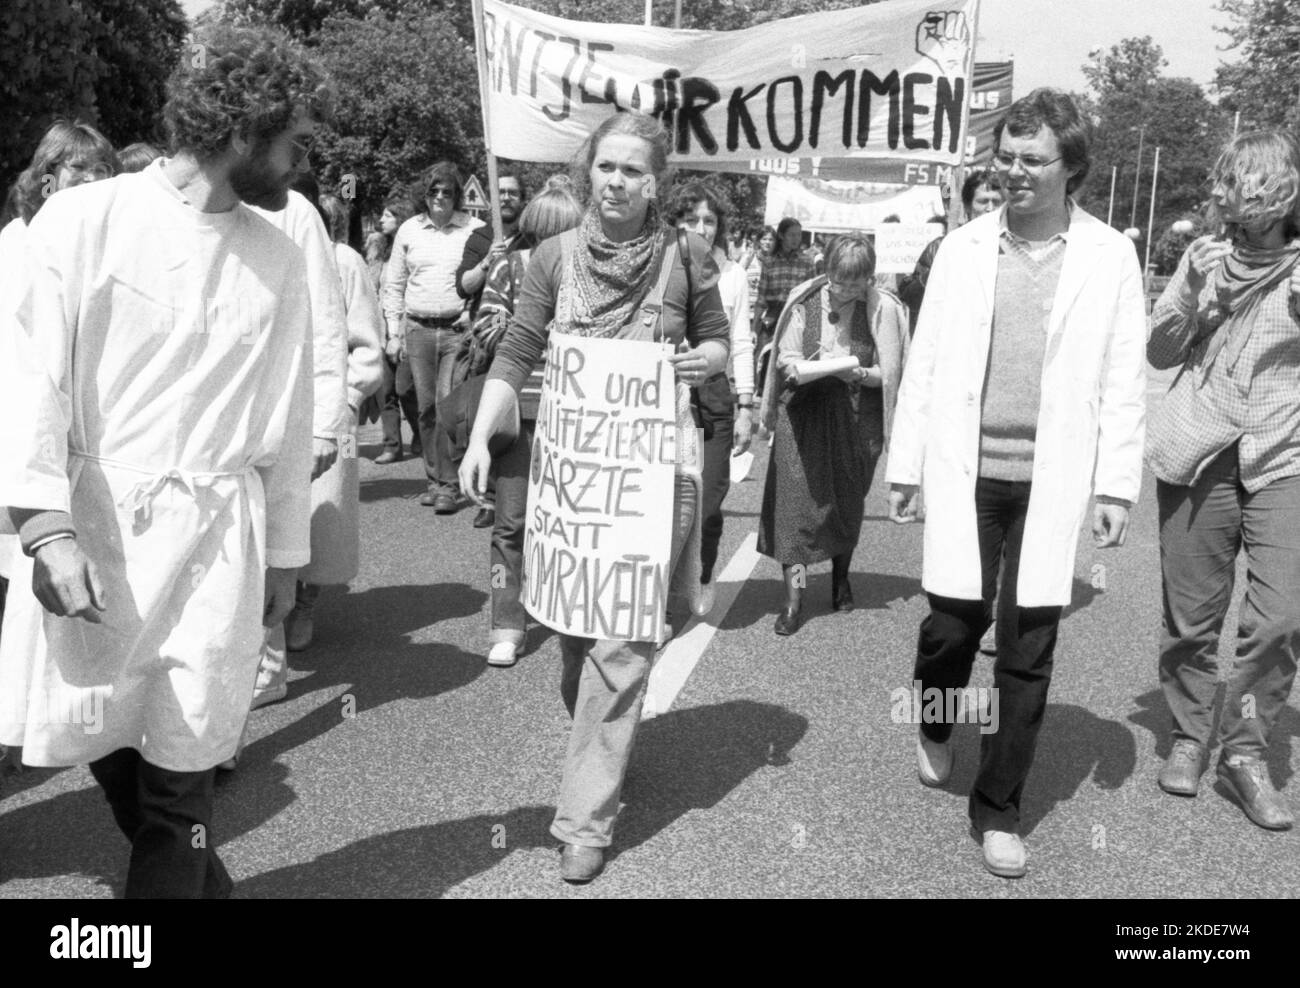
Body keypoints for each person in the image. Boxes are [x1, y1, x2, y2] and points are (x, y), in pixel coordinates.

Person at [0, 23, 325, 897]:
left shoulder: (280, 256)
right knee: (114, 753)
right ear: (245, 121)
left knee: (182, 777)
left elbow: (289, 423)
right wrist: (43, 529)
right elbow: (28, 380)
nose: (302, 161)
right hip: (99, 538)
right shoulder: (84, 220)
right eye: (295, 139)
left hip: (217, 547)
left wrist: (287, 561)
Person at [460, 113, 729, 883]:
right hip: (575, 482)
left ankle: (584, 820)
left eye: (632, 171)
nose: (616, 182)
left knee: (622, 645)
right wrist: (481, 439)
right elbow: (516, 351)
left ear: (656, 183)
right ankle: (602, 746)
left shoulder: (686, 257)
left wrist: (695, 363)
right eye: (606, 168)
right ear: (589, 175)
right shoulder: (550, 257)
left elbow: (717, 344)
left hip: (656, 476)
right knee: (579, 640)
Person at [886, 89, 1147, 879]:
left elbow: (1123, 377)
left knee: (1028, 647)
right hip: (968, 473)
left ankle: (999, 808)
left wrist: (1115, 486)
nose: (1013, 171)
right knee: (952, 629)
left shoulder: (1109, 256)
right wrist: (904, 465)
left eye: (1032, 159)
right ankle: (937, 713)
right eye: (1006, 155)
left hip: (1050, 479)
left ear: (1073, 170)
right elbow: (926, 364)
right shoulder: (965, 247)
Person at [1146, 130, 1300, 831]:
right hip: (1200, 452)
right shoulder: (1202, 258)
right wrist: (1194, 293)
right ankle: (1187, 734)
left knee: (1279, 619)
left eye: (1263, 187)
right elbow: (1159, 349)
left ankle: (1244, 751)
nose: (1248, 201)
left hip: (1285, 456)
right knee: (1193, 618)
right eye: (1238, 186)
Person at [0, 120, 118, 662]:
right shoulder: (19, 240)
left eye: (103, 171)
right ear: (47, 174)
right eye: (79, 168)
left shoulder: (109, 246)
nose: (94, 180)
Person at [756, 234, 909, 635]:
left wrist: (859, 373)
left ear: (869, 279)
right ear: (827, 272)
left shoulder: (884, 310)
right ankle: (795, 598)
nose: (844, 291)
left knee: (844, 505)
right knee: (795, 514)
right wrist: (797, 368)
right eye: (838, 282)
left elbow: (890, 375)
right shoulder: (804, 301)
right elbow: (786, 356)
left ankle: (841, 578)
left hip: (858, 418)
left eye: (856, 285)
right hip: (803, 415)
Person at [472, 175, 583, 668]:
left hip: (577, 413)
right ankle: (505, 622)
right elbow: (485, 326)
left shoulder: (590, 274)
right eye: (545, 234)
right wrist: (528, 329)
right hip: (520, 415)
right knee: (509, 523)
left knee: (573, 521)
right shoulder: (508, 267)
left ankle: (570, 608)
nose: (551, 244)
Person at [667, 181, 756, 617]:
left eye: (709, 220)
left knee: (708, 504)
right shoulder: (663, 265)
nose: (701, 227)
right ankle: (660, 593)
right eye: (691, 220)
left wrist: (746, 405)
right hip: (665, 395)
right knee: (665, 500)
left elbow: (741, 342)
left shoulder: (733, 274)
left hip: (716, 397)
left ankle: (702, 575)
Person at [382, 162, 485, 513]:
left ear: (458, 196)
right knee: (424, 409)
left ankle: (448, 484)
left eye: (447, 192)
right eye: (433, 191)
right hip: (418, 330)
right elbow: (393, 284)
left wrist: (474, 315)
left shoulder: (475, 229)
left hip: (458, 331)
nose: (440, 197)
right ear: (424, 196)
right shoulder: (409, 230)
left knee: (446, 409)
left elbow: (488, 280)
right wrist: (393, 333)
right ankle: (434, 478)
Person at [455, 170, 530, 528]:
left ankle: (514, 496)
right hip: (490, 344)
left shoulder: (533, 236)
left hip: (532, 354)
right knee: (491, 423)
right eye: (500, 192)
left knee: (518, 430)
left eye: (513, 192)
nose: (507, 198)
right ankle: (487, 498)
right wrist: (489, 262)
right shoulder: (480, 236)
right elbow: (463, 286)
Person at [898, 168, 1003, 331]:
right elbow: (911, 298)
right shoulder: (941, 247)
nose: (990, 209)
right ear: (968, 207)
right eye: (983, 201)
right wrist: (936, 273)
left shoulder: (1010, 250)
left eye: (996, 202)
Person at [368, 192, 421, 464]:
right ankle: (392, 445)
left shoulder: (413, 249)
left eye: (388, 216)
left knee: (405, 389)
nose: (381, 220)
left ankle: (421, 434)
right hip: (380, 329)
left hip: (406, 329)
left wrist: (398, 334)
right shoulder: (378, 250)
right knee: (385, 391)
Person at [754, 217, 816, 396]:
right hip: (773, 316)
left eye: (799, 235)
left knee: (792, 357)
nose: (796, 239)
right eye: (791, 235)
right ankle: (764, 394)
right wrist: (754, 327)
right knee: (766, 357)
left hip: (797, 316)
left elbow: (811, 296)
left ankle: (788, 394)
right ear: (781, 235)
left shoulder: (807, 262)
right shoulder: (770, 262)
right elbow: (761, 297)